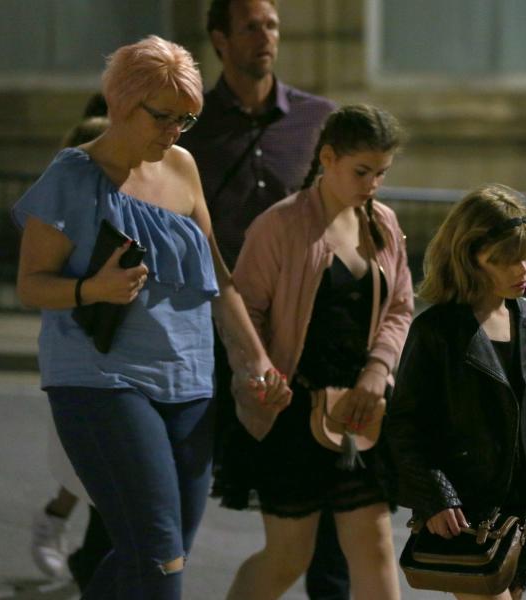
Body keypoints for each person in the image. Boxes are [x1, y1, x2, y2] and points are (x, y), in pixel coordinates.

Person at [12, 35, 289, 600]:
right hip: (101, 383)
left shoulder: (183, 168)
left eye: (185, 121)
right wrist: (94, 288)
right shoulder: (73, 176)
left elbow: (220, 281)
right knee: (161, 559)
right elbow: (30, 285)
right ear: (120, 102)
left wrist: (255, 363)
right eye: (163, 117)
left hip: (188, 384)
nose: (173, 133)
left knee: (155, 554)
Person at [175, 2, 345, 594]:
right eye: (250, 26)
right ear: (219, 40)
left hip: (307, 333)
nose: (265, 36)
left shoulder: (318, 120)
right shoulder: (187, 128)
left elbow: (349, 216)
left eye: (271, 24)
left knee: (331, 490)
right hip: (210, 330)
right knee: (176, 478)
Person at [215, 104, 413, 600]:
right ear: (328, 157)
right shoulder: (280, 225)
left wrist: (378, 369)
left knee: (375, 546)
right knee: (288, 557)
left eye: (381, 173)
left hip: (358, 411)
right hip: (292, 412)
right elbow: (241, 308)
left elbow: (401, 306)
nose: (371, 184)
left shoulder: (382, 224)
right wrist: (257, 371)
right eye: (361, 171)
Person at [388, 184, 526, 600]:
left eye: (525, 255)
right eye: (503, 259)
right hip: (467, 506)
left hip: (517, 507)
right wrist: (435, 496)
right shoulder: (437, 331)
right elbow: (404, 424)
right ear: (470, 257)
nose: (521, 268)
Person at [30, 115, 112, 585]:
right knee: (85, 467)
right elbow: (41, 286)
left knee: (101, 476)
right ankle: (57, 525)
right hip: (78, 361)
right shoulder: (60, 215)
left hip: (123, 364)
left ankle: (87, 560)